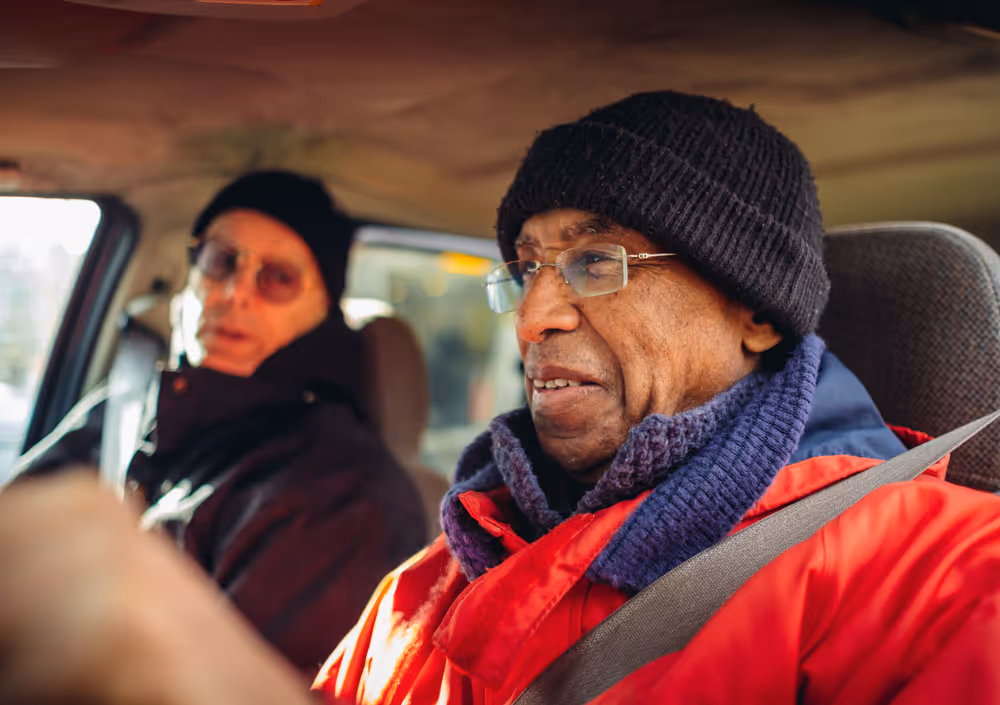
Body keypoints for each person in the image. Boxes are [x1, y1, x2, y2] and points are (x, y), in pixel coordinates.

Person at [1, 92, 999, 705]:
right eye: (525, 269)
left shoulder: (949, 589)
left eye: (596, 260)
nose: (532, 320)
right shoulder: (428, 581)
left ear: (756, 310)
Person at [6, 170, 428, 678]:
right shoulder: (125, 406)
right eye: (221, 261)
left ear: (322, 310)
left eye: (277, 278)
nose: (234, 293)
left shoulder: (345, 497)